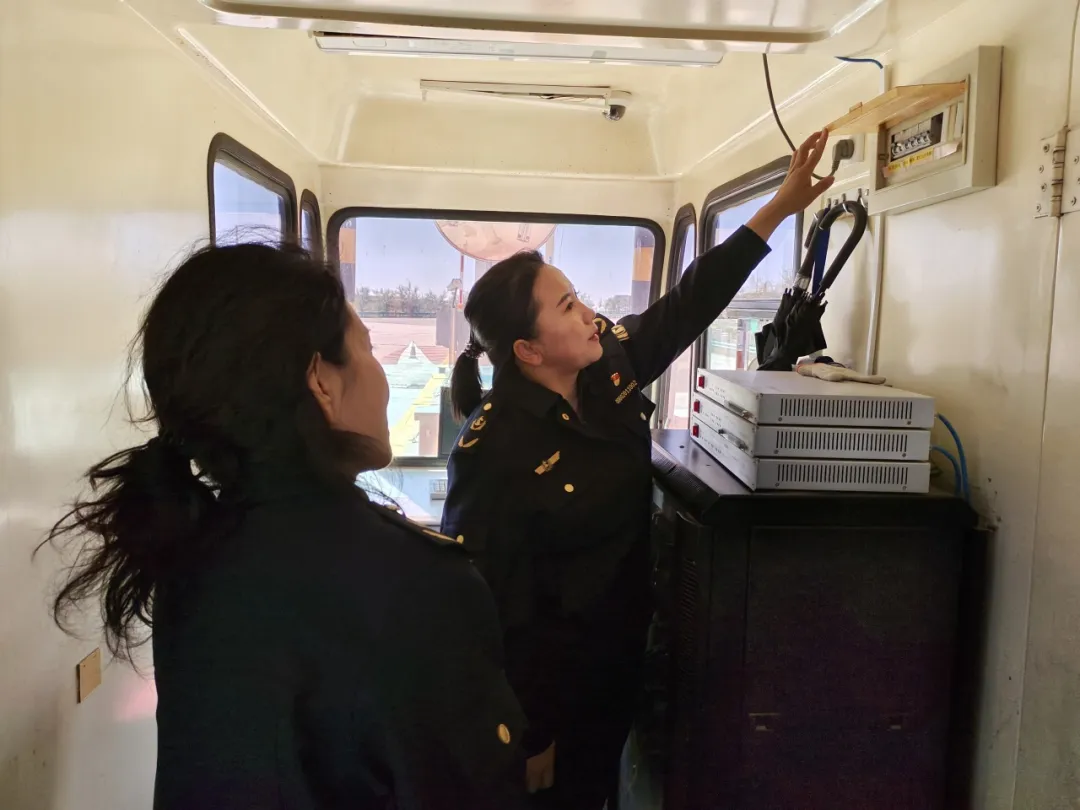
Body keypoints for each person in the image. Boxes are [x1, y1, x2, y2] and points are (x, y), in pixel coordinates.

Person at [41, 242, 526, 809]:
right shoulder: (423, 585)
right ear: (321, 381)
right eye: (368, 350)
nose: (381, 376)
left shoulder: (191, 548)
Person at [441, 130, 834, 809]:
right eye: (568, 307)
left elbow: (690, 300)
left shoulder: (608, 369)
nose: (591, 315)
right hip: (549, 694)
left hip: (617, 656)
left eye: (579, 297)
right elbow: (491, 608)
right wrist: (529, 734)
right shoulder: (492, 451)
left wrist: (778, 206)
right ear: (528, 351)